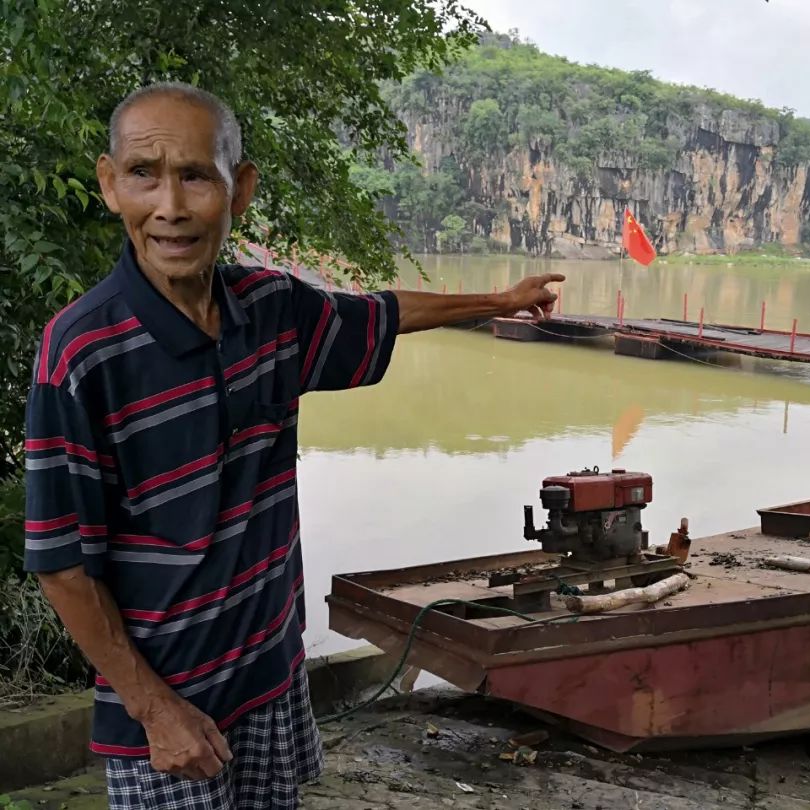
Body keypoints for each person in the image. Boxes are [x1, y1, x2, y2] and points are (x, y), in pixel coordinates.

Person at [23, 81, 563, 809]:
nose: (171, 208)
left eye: (195, 177)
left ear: (239, 189)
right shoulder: (81, 355)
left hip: (269, 676)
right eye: (144, 174)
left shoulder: (271, 312)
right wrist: (154, 710)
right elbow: (62, 567)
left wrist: (499, 303)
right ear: (110, 185)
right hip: (171, 707)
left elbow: (381, 313)